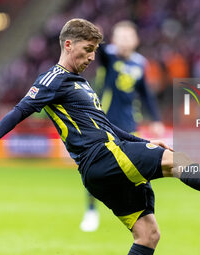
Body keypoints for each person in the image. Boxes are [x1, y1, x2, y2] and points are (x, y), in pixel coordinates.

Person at [0, 19, 200, 255]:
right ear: (67, 44)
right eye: (86, 50)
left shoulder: (81, 85)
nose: (91, 57)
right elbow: (20, 110)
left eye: (93, 51)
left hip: (102, 165)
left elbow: (108, 127)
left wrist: (143, 143)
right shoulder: (53, 79)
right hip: (102, 157)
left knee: (148, 235)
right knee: (175, 161)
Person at [80, 20, 165, 232]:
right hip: (103, 122)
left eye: (129, 37)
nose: (125, 41)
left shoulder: (140, 63)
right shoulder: (107, 56)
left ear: (136, 40)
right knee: (96, 170)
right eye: (121, 36)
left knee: (140, 169)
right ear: (114, 39)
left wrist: (155, 119)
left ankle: (144, 213)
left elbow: (145, 93)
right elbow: (100, 51)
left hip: (129, 124)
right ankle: (91, 211)